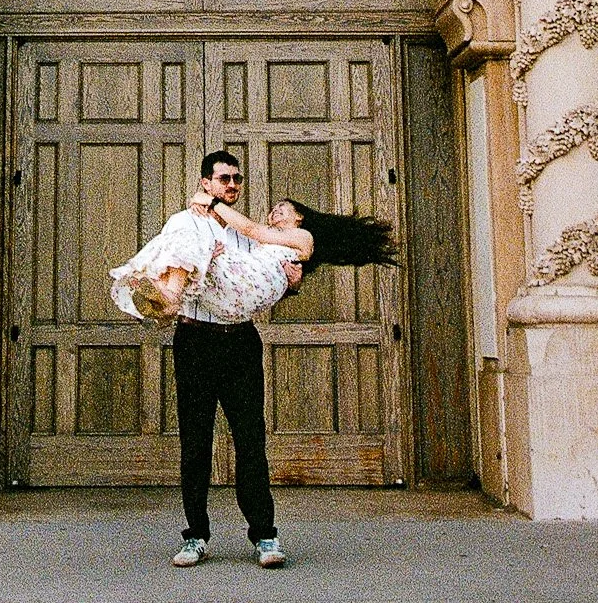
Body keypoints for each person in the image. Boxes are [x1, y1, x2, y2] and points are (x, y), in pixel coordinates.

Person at [109, 150, 396, 569]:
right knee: (195, 443)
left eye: (236, 180)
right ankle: (195, 537)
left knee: (250, 441)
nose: (232, 186)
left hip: (239, 342)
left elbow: (261, 266)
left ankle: (264, 535)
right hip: (195, 340)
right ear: (205, 182)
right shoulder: (197, 225)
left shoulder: (251, 232)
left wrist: (284, 278)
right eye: (223, 179)